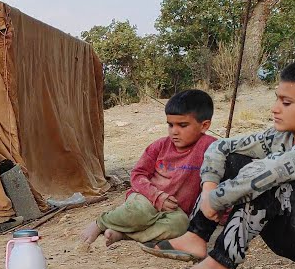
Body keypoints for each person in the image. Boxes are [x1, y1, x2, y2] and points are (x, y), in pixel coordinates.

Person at [152, 56, 295, 269]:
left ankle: (219, 264)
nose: (275, 108)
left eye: (286, 102)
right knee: (235, 161)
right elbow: (220, 147)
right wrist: (210, 188)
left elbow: (266, 174)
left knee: (265, 179)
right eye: (276, 99)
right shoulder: (280, 135)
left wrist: (218, 199)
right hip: (290, 227)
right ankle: (196, 237)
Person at [80, 89, 215, 249]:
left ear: (204, 125)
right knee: (141, 212)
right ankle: (101, 222)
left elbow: (221, 179)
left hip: (175, 209)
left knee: (180, 225)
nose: (174, 131)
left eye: (182, 125)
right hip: (146, 198)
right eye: (170, 125)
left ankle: (124, 234)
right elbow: (137, 175)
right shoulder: (160, 146)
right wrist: (156, 196)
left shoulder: (211, 148)